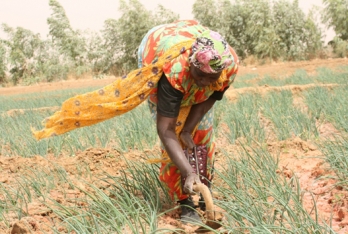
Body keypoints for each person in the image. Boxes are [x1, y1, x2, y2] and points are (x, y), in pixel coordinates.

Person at [32, 20, 239, 224]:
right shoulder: (174, 71)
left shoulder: (228, 65)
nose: (203, 83)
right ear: (191, 64)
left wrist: (189, 129)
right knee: (174, 134)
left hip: (190, 50)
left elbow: (210, 97)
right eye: (200, 76)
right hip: (157, 52)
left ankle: (205, 189)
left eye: (210, 78)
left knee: (202, 132)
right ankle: (184, 200)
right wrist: (187, 170)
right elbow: (165, 129)